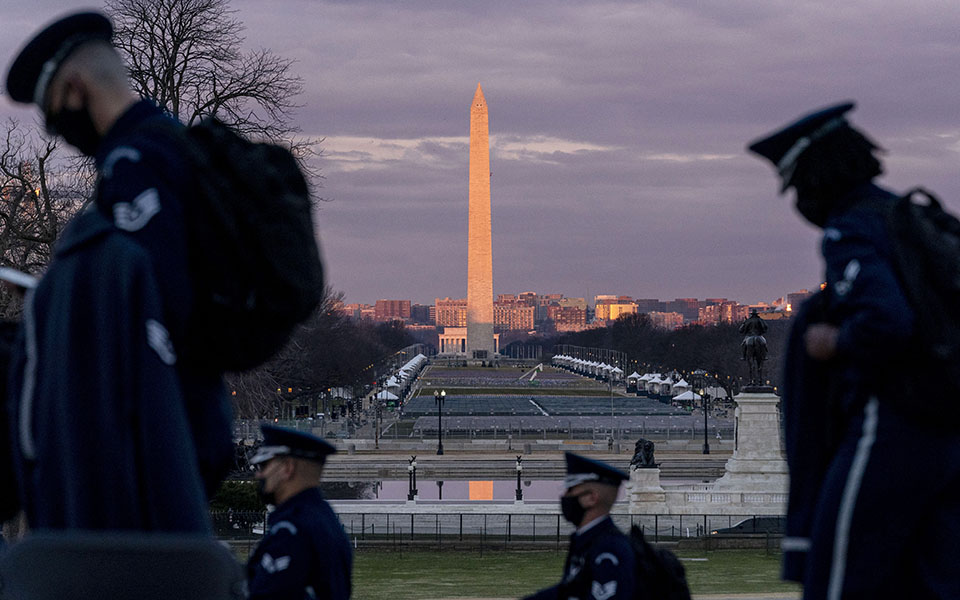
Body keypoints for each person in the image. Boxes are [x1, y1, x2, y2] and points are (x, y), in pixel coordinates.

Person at [3, 11, 232, 531]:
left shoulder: (138, 165)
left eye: (54, 114)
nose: (58, 133)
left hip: (155, 449)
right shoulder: (171, 147)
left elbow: (148, 314)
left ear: (76, 88)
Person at [748, 102, 960, 599]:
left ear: (819, 174)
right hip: (947, 420)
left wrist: (834, 341)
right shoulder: (911, 218)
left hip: (892, 418)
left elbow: (887, 321)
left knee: (839, 571)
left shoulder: (853, 228)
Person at [247, 425, 352, 600]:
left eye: (264, 465)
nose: (260, 475)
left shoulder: (292, 530)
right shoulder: (324, 519)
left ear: (287, 468)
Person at [523, 452, 635, 600]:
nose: (565, 496)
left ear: (591, 498)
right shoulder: (588, 541)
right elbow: (569, 590)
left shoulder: (609, 551)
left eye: (570, 490)